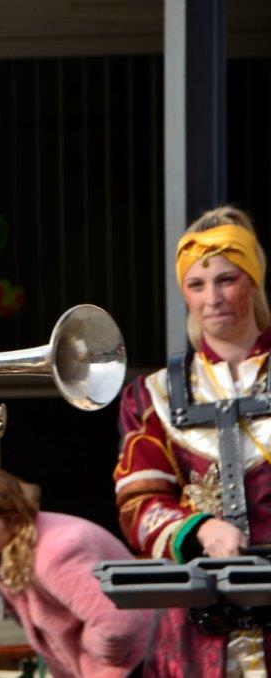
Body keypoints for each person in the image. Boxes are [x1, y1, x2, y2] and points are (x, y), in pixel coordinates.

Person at [115, 205, 271, 676]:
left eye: (227, 279)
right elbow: (138, 503)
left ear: (252, 281)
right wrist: (200, 528)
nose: (212, 298)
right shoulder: (153, 395)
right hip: (197, 636)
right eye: (196, 284)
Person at [0, 467, 154, 677]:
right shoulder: (5, 551)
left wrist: (90, 656)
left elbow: (116, 623)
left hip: (136, 663)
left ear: (13, 519)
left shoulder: (54, 553)